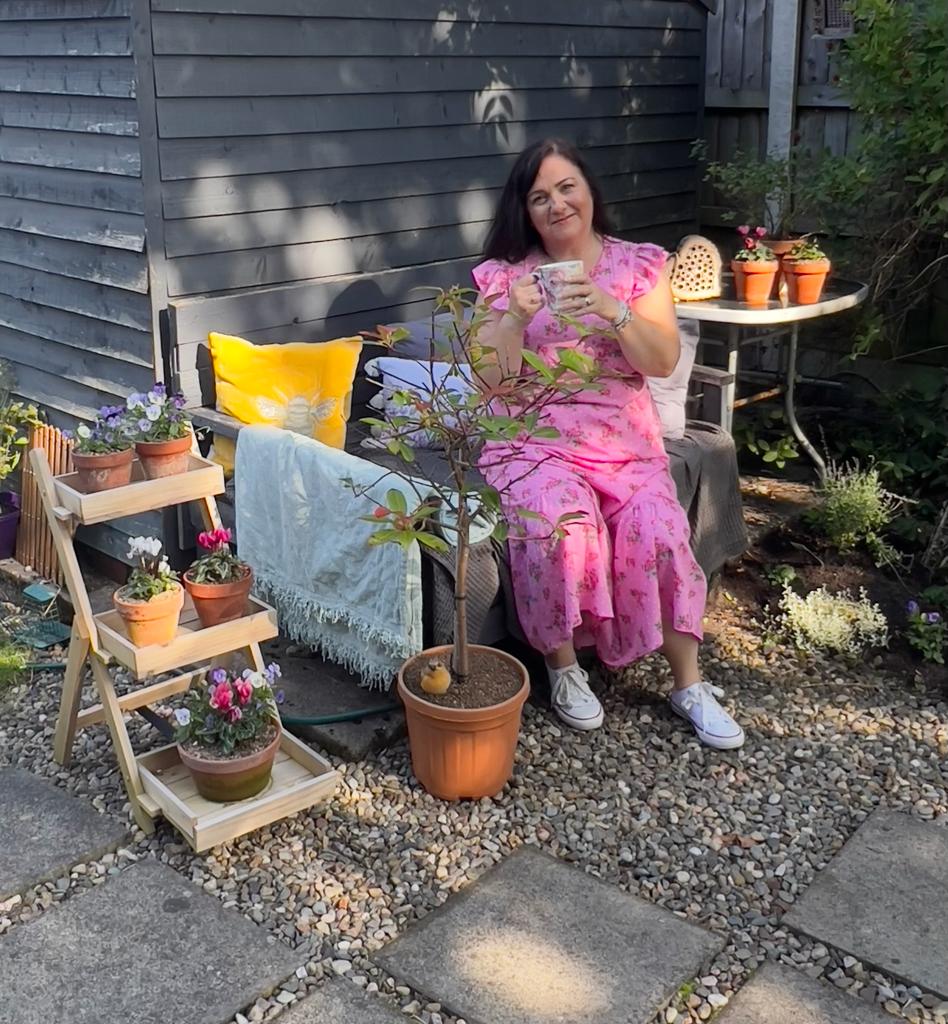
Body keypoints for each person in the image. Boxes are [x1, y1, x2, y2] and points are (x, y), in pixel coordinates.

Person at [472, 137, 744, 749]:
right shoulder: (506, 276)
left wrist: (613, 310)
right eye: (539, 197)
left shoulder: (640, 266)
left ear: (589, 191)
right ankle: (563, 666)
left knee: (658, 527)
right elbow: (491, 382)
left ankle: (688, 684)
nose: (556, 205)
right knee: (558, 524)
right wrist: (513, 317)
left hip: (624, 440)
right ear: (525, 211)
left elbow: (663, 359)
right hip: (533, 441)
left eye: (566, 187)